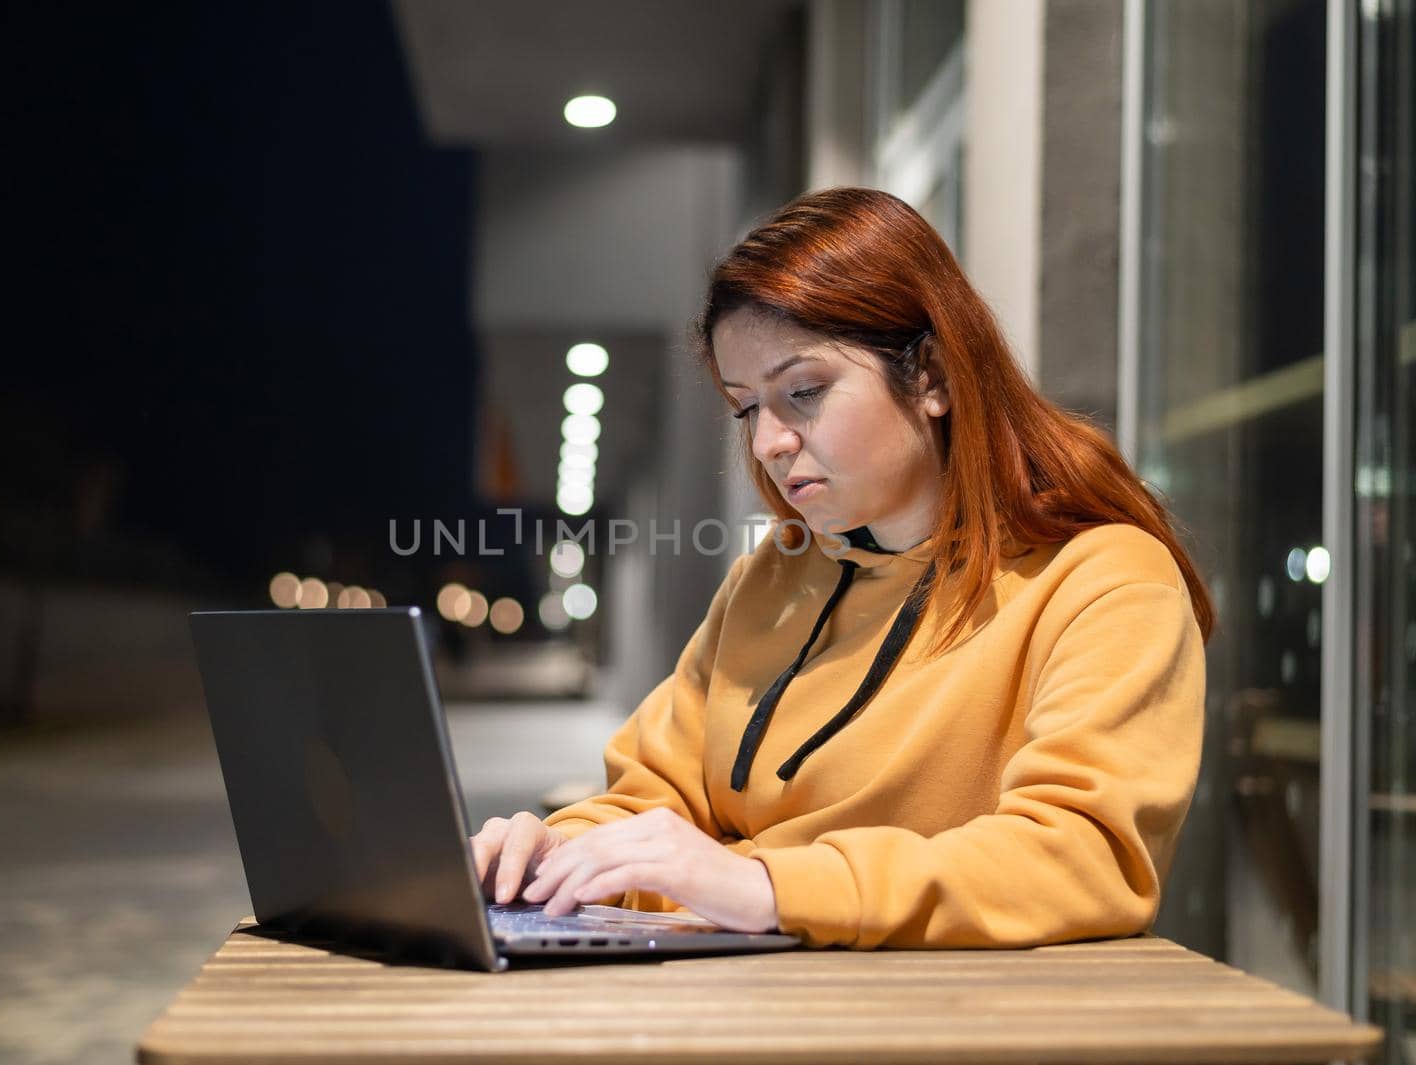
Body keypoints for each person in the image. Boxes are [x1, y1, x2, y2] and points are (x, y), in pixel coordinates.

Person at [468, 187, 1214, 950]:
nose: (768, 443)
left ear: (933, 377)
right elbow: (652, 795)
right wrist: (557, 853)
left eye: (804, 392)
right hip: (753, 1004)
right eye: (746, 407)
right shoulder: (774, 579)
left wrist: (766, 886)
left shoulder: (1104, 580)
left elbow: (1083, 858)